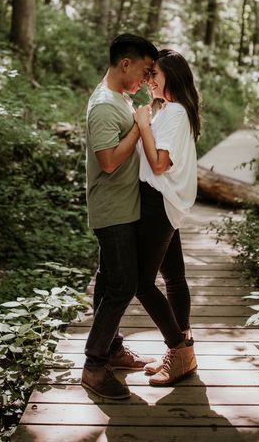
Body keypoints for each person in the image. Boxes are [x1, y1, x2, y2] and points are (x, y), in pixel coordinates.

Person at [81, 33, 158, 400]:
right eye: (143, 70)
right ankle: (94, 367)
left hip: (121, 206)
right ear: (125, 63)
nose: (145, 79)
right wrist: (141, 129)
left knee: (109, 278)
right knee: (124, 285)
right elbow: (108, 162)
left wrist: (141, 118)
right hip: (112, 210)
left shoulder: (120, 98)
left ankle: (111, 349)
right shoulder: (104, 106)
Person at [134, 48, 200, 386]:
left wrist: (143, 125)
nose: (149, 82)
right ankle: (183, 345)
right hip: (166, 200)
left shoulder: (173, 112)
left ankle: (179, 352)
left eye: (154, 76)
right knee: (173, 277)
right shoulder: (173, 110)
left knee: (141, 282)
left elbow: (160, 162)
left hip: (158, 201)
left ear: (170, 78)